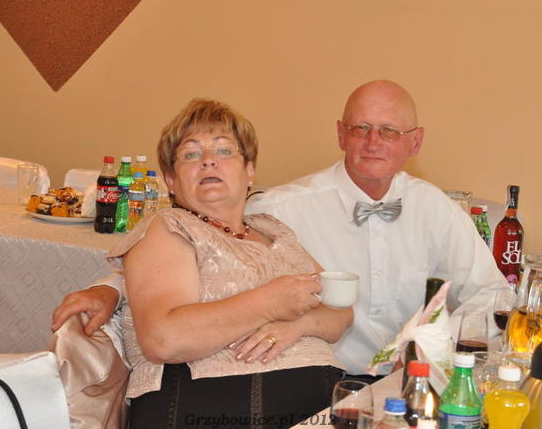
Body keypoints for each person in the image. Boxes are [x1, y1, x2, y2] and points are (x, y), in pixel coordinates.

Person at [52, 80, 509, 378]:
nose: (373, 142)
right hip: (328, 376)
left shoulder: (435, 209)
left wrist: (434, 349)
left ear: (416, 142)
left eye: (390, 131)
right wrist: (111, 289)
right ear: (341, 134)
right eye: (361, 128)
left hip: (407, 381)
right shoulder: (282, 210)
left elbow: (492, 295)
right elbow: (200, 240)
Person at [94, 98, 351, 429]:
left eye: (224, 150)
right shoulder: (169, 227)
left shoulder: (274, 229)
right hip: (207, 407)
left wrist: (297, 326)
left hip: (320, 408)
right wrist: (269, 303)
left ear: (249, 170)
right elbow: (163, 339)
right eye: (191, 154)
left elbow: (341, 312)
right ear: (171, 180)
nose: (208, 161)